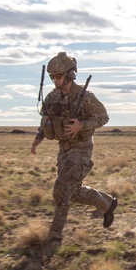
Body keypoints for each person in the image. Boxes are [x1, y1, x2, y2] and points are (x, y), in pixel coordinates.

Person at [30, 51, 118, 255]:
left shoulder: (85, 97)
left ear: (70, 75)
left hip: (81, 150)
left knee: (61, 190)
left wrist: (82, 125)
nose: (55, 81)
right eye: (52, 77)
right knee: (72, 192)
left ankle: (53, 241)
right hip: (64, 151)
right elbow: (46, 121)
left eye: (58, 76)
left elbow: (104, 117)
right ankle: (106, 203)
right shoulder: (52, 97)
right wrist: (37, 139)